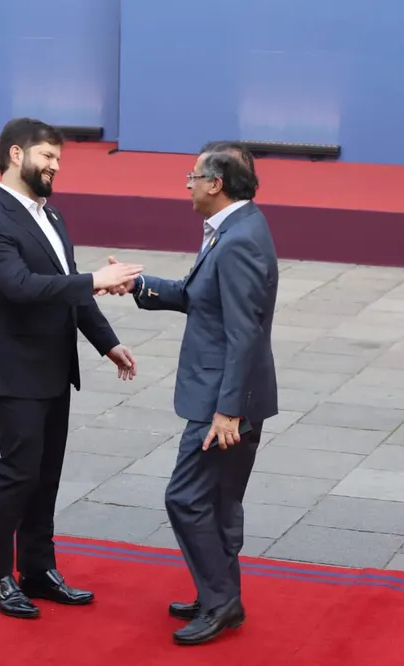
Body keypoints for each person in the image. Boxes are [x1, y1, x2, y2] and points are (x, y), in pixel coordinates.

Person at [0, 118, 143, 620]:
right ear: (16, 154)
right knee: (18, 473)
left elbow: (67, 289)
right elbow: (23, 287)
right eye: (47, 157)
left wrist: (107, 343)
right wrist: (94, 279)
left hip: (51, 366)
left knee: (46, 475)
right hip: (13, 370)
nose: (55, 167)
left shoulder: (53, 216)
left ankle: (39, 569)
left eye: (59, 160)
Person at [108, 143, 279, 645]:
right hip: (235, 398)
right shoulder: (235, 229)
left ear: (215, 184)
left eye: (192, 175)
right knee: (220, 502)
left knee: (185, 497)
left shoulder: (238, 240)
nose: (186, 183)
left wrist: (227, 411)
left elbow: (245, 333)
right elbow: (195, 294)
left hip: (225, 403)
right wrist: (137, 285)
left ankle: (221, 601)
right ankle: (220, 596)